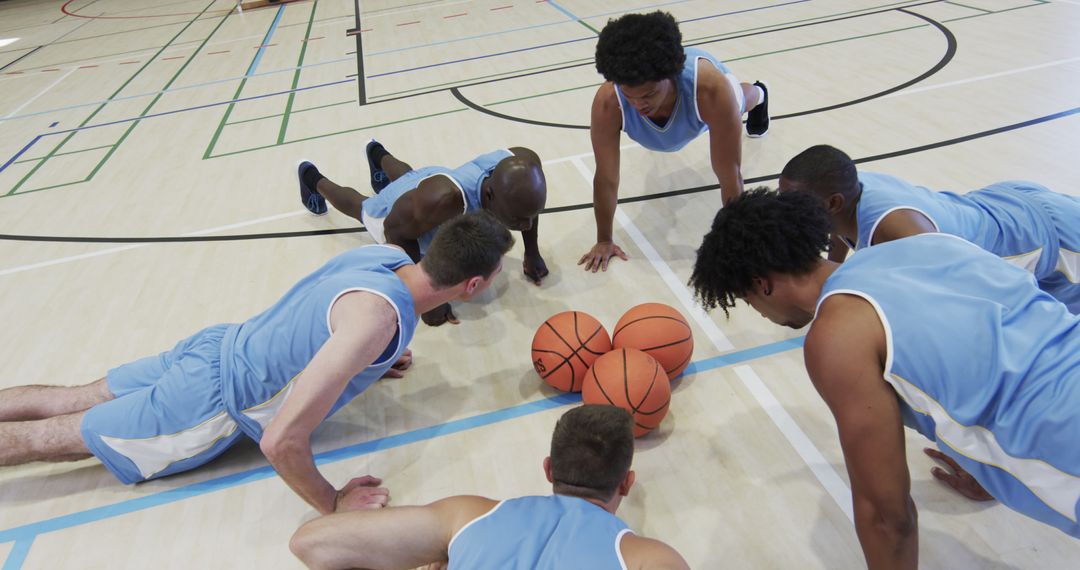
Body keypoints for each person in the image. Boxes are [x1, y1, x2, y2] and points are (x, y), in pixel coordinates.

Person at [0, 212, 514, 516]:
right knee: (50, 438)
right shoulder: (376, 322)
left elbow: (329, 320)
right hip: (204, 406)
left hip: (214, 346)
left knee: (68, 398)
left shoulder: (383, 260)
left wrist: (368, 361)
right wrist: (333, 503)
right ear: (474, 285)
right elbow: (281, 441)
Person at [689, 189, 1080, 568]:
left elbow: (886, 517)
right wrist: (983, 461)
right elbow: (989, 342)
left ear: (762, 284)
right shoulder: (924, 242)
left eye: (746, 300)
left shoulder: (837, 334)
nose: (757, 311)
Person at [289, 405, 690, 570]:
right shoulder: (649, 559)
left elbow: (310, 543)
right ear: (627, 481)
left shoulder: (468, 516)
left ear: (549, 469)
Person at [778, 144, 1080, 312]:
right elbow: (838, 235)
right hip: (1006, 203)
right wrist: (832, 268)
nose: (785, 210)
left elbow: (964, 293)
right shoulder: (846, 189)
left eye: (793, 202)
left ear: (833, 203)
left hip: (1043, 235)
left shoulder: (900, 236)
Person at [579, 11, 770, 272]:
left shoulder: (711, 89)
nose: (637, 105)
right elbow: (606, 177)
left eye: (648, 94)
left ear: (671, 76)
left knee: (743, 102)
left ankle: (760, 93)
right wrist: (604, 239)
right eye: (629, 95)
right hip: (680, 112)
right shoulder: (608, 103)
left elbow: (729, 175)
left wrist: (737, 243)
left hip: (707, 104)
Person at [298, 141, 548, 325]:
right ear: (490, 196)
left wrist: (532, 252)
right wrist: (427, 301)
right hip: (396, 218)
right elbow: (394, 230)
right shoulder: (443, 201)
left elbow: (528, 209)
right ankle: (313, 180)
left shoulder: (523, 161)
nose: (526, 225)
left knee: (410, 177)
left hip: (434, 180)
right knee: (360, 206)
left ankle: (378, 153)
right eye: (517, 220)